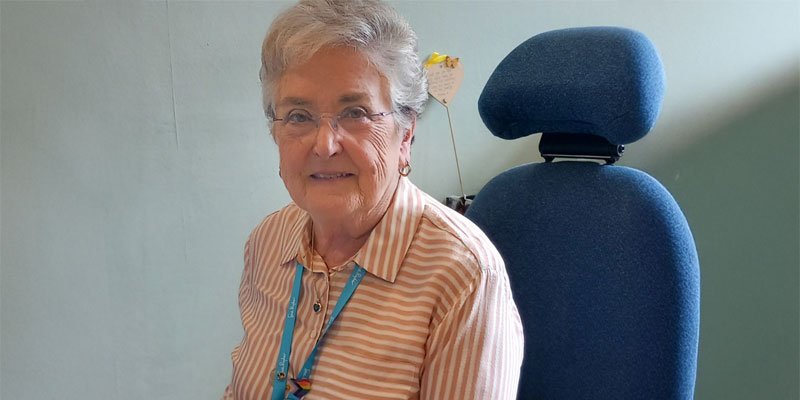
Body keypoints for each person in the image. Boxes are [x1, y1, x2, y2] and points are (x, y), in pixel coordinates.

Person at [223, 1, 523, 398]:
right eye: (298, 115)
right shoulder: (267, 243)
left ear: (406, 134)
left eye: (356, 112)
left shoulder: (462, 277)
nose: (325, 145)